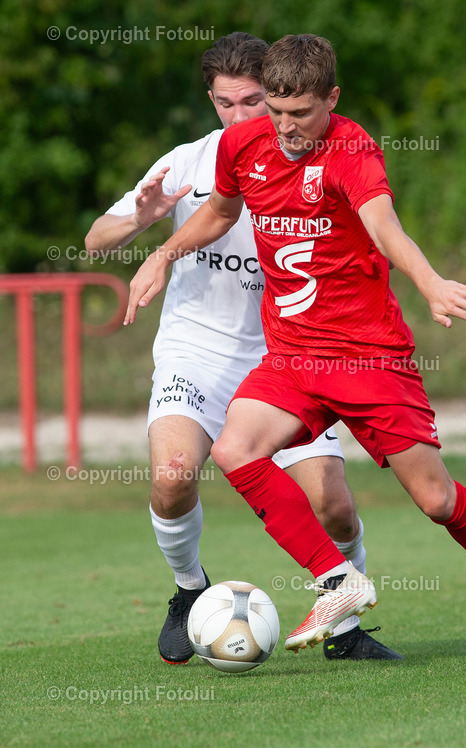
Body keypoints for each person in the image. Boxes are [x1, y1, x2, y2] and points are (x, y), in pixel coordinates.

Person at [124, 34, 466, 660]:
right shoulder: (244, 144)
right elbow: (221, 212)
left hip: (368, 356)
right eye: (277, 113)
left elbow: (384, 226)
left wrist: (431, 283)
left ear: (331, 99)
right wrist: (163, 249)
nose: (285, 128)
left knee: (437, 501)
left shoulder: (352, 151)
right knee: (236, 450)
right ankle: (337, 580)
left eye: (300, 114)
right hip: (292, 356)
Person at [86, 32, 401, 664]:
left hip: (286, 356)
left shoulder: (318, 157)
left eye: (254, 100)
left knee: (334, 506)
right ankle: (187, 590)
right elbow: (97, 241)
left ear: (282, 93)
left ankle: (346, 629)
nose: (241, 116)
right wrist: (141, 218)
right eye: (225, 103)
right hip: (195, 352)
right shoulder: (187, 162)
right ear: (211, 99)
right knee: (173, 478)